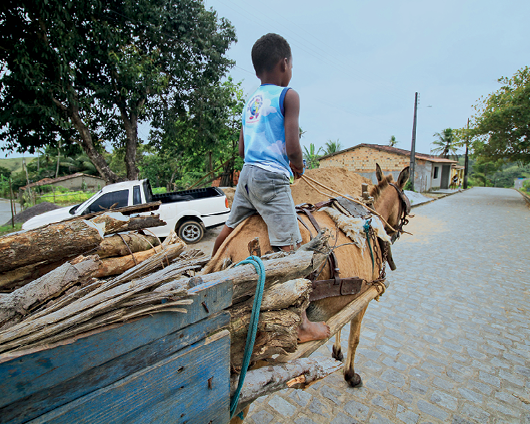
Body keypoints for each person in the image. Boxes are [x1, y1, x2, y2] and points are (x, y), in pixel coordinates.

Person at [212, 33, 330, 343]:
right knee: (291, 248)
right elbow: (293, 144)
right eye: (291, 65)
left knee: (227, 230)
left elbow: (241, 150)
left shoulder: (250, 101)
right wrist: (299, 166)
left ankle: (208, 271)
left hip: (247, 177)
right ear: (285, 63)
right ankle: (302, 323)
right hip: (272, 181)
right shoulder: (288, 95)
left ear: (256, 70)